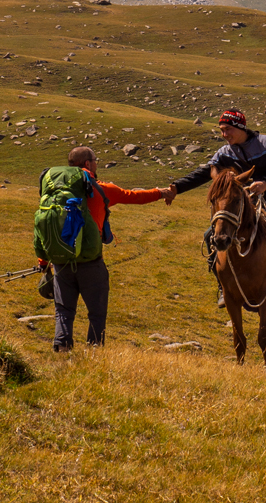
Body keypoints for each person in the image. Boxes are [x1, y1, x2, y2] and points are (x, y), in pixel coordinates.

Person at [169, 109, 266, 303]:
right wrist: (176, 187)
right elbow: (202, 173)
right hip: (241, 203)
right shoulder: (224, 153)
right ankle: (223, 286)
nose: (224, 135)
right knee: (210, 235)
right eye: (221, 131)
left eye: (227, 129)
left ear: (240, 127)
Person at [39, 146, 174, 352]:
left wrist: (43, 262)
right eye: (95, 160)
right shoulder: (101, 188)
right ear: (87, 164)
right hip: (91, 262)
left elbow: (47, 226)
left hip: (61, 261)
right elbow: (132, 196)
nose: (96, 163)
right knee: (97, 311)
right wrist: (161, 192)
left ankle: (61, 348)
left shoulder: (54, 191)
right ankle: (94, 351)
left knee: (63, 310)